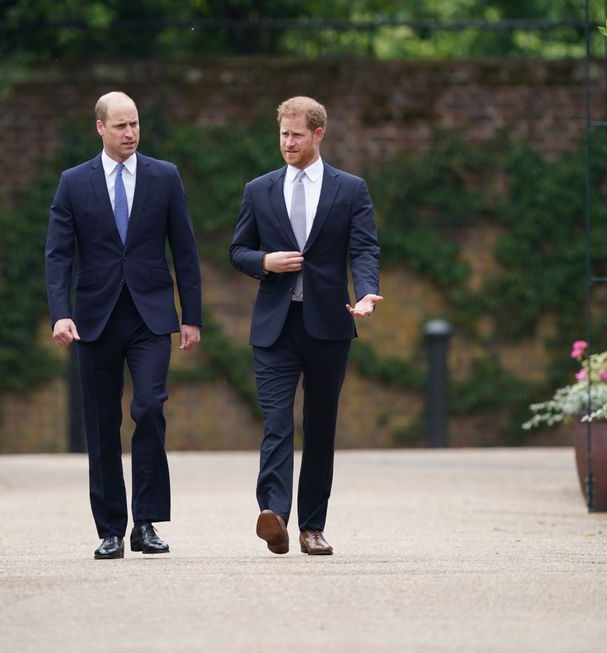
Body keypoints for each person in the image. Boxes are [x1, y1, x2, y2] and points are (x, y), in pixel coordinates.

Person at [45, 91, 202, 560]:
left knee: (150, 408)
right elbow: (58, 254)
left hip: (150, 315)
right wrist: (60, 313)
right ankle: (111, 528)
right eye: (120, 126)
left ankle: (147, 523)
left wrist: (191, 315)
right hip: (94, 317)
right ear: (100, 128)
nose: (130, 133)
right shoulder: (73, 183)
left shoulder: (164, 176)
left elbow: (185, 249)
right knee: (100, 422)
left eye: (135, 124)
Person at [230, 96, 383, 556]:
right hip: (274, 327)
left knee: (320, 426)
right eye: (283, 134)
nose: (288, 143)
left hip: (328, 325)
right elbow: (237, 251)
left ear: (318, 134)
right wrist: (265, 261)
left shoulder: (350, 189)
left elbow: (364, 249)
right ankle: (274, 515)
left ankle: (312, 526)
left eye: (296, 135)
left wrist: (368, 292)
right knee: (276, 422)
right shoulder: (259, 189)